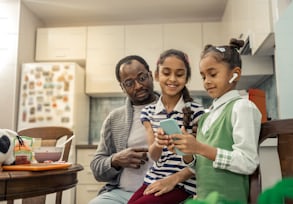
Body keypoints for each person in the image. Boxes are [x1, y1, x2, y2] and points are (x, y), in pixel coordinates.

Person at [171, 39, 262, 203]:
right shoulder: (206, 117)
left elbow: (248, 162)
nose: (206, 81)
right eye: (203, 76)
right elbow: (199, 167)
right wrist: (187, 153)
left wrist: (200, 147)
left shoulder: (242, 107)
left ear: (235, 74)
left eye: (212, 74)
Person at [128, 49, 205, 204]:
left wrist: (173, 179)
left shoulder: (198, 113)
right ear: (156, 75)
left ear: (186, 78)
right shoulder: (148, 113)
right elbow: (154, 156)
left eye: (179, 74)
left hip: (184, 184)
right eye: (166, 72)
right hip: (152, 179)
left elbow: (202, 159)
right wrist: (158, 143)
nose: (172, 79)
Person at [89, 55, 158, 204]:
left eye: (142, 78)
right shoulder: (114, 118)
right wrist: (115, 160)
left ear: (151, 75)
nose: (138, 86)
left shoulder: (172, 110)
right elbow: (96, 168)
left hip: (161, 192)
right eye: (129, 83)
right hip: (122, 194)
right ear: (122, 87)